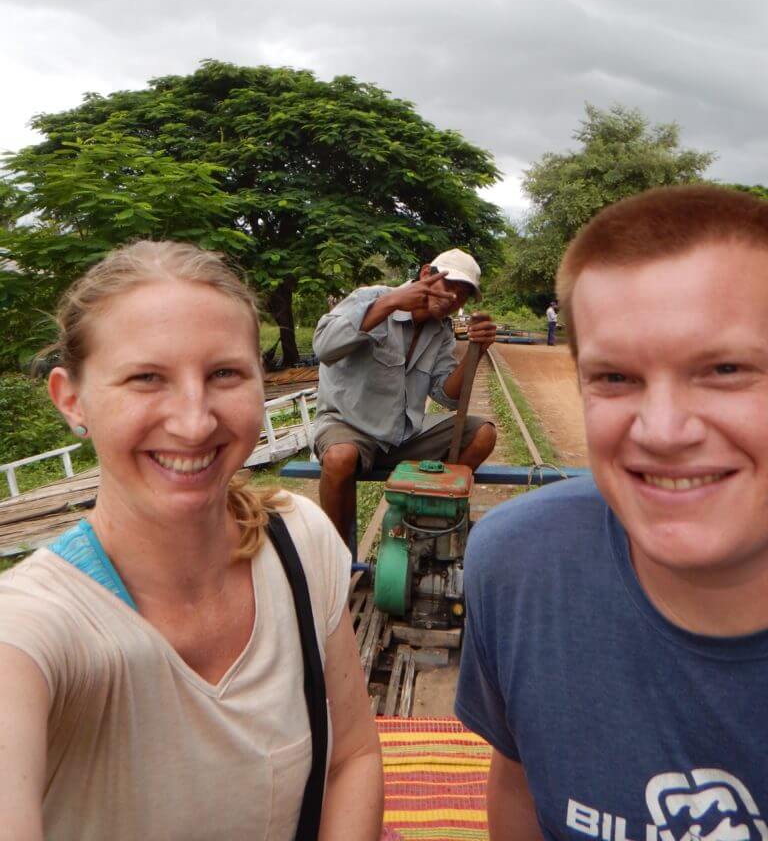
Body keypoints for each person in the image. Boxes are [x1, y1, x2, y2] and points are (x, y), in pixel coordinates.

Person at [0, 241, 383, 841]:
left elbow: (352, 758)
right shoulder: (31, 625)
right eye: (146, 378)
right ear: (71, 399)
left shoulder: (300, 545)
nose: (194, 420)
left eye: (224, 373)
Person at [455, 185, 768, 839]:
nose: (662, 430)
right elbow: (519, 783)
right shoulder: (519, 566)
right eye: (615, 378)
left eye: (727, 368)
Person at [313, 248, 498, 544]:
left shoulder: (441, 332)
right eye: (449, 286)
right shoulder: (371, 297)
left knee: (483, 434)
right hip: (349, 425)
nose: (453, 299)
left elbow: (447, 396)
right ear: (426, 274)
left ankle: (427, 527)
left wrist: (476, 352)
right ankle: (337, 557)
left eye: (463, 295)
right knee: (339, 458)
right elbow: (324, 347)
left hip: (403, 434)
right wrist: (390, 303)